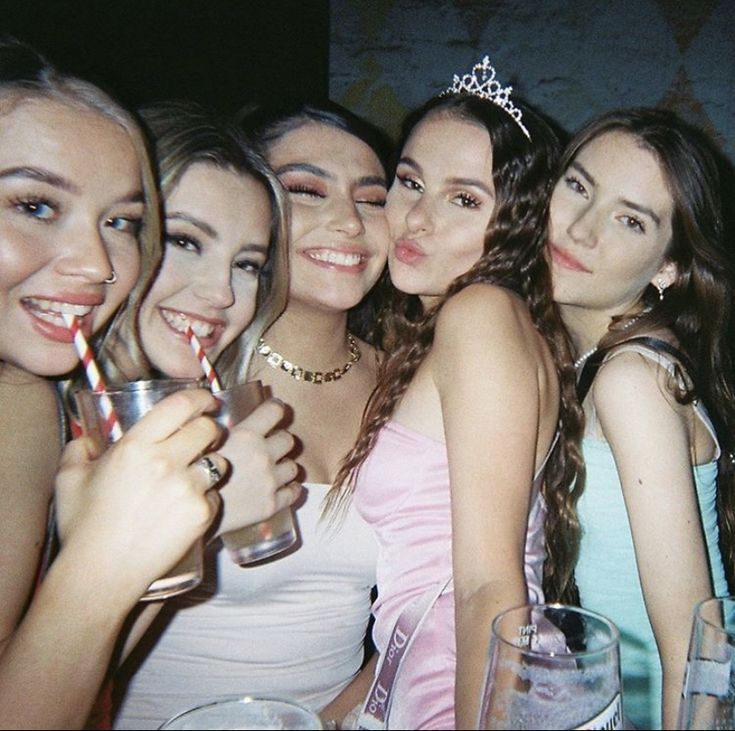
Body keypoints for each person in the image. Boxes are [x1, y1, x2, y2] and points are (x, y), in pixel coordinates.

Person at [111, 100, 389, 728]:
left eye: (372, 199)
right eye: (307, 191)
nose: (348, 221)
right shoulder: (171, 371)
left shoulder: (411, 382)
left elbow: (433, 602)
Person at [325, 57, 584, 730]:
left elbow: (483, 588)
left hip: (462, 687)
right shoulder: (455, 325)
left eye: (464, 198)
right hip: (423, 672)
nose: (416, 218)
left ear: (517, 224)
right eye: (409, 182)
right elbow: (422, 590)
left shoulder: (479, 316)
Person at [0, 38, 227, 729]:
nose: (100, 264)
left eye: (121, 223)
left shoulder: (25, 401)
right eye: (34, 204)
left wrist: (143, 553)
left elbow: (51, 675)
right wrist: (101, 565)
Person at [547, 107, 735, 729]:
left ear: (668, 267)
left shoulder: (634, 380)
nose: (580, 229)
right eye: (577, 186)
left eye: (630, 219)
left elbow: (696, 645)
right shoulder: (593, 360)